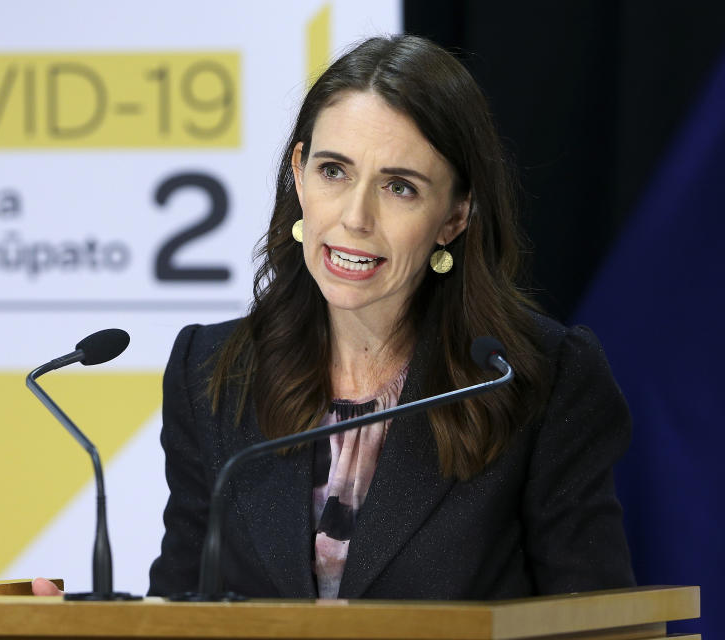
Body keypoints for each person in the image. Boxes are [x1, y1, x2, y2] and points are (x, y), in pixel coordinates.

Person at [34, 34, 635, 600]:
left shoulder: (535, 379)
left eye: (399, 186)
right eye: (333, 171)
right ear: (298, 174)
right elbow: (186, 607)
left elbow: (599, 624)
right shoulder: (212, 375)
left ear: (455, 215)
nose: (355, 217)